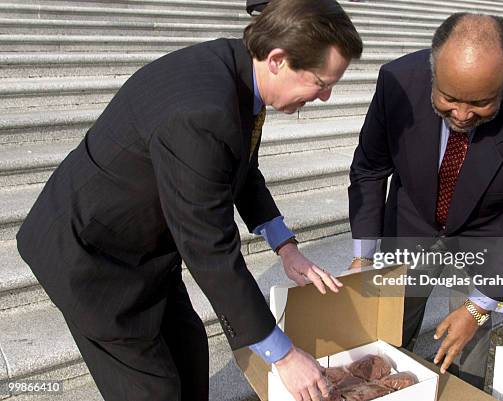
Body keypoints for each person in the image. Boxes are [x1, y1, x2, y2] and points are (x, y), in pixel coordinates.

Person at [16, 1, 362, 400]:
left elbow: (240, 168)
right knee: (155, 390)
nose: (326, 97)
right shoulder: (201, 113)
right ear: (278, 60)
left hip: (148, 249)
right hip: (92, 260)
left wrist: (286, 248)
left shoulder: (239, 72)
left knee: (190, 355)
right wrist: (282, 356)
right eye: (320, 82)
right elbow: (210, 250)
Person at [348, 12, 503, 389]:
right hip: (413, 220)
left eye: (481, 103)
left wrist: (479, 305)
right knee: (388, 328)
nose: (462, 115)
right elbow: (369, 168)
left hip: (489, 231)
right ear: (432, 72)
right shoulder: (398, 81)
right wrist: (362, 256)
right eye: (448, 98)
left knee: (468, 340)